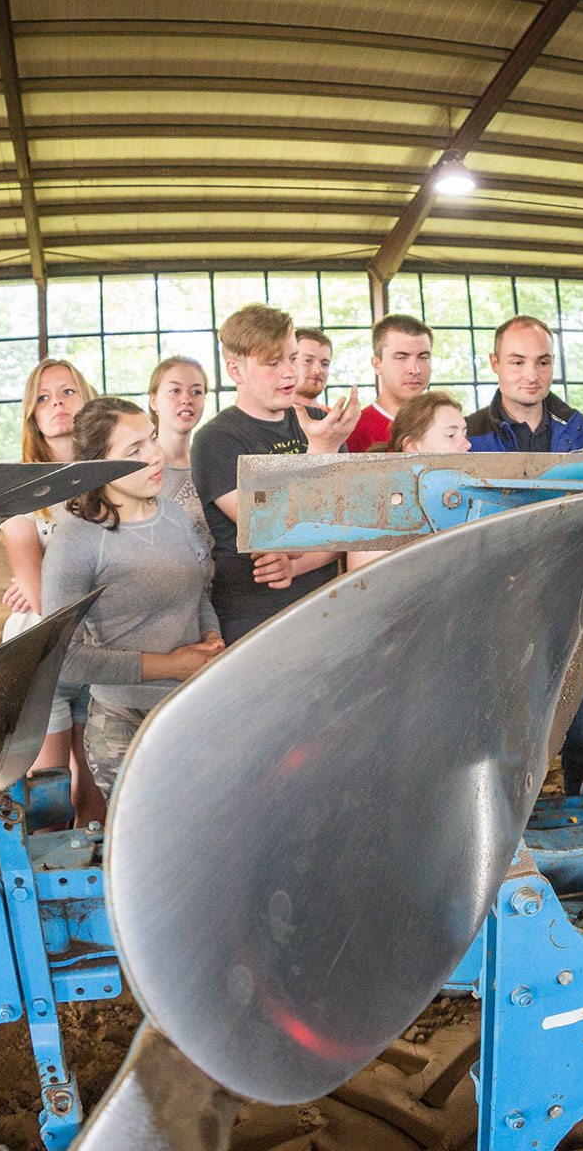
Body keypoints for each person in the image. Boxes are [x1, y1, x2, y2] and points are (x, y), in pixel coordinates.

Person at [41, 397, 223, 795]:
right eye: (134, 451)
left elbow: (198, 593)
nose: (155, 456)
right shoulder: (77, 540)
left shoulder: (174, 515)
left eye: (152, 440)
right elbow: (64, 658)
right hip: (124, 723)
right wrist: (171, 664)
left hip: (191, 708)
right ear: (99, 466)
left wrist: (211, 638)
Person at [464, 316, 583, 809]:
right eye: (518, 362)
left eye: (543, 362)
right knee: (502, 729)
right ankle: (504, 828)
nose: (532, 374)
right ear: (495, 365)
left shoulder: (579, 428)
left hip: (572, 598)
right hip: (497, 606)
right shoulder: (469, 435)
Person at [192, 303, 360, 638]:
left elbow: (352, 528)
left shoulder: (317, 426)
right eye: (273, 363)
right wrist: (321, 453)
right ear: (236, 371)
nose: (290, 373)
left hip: (326, 603)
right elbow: (274, 528)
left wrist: (297, 564)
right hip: (254, 618)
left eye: (293, 357)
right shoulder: (216, 439)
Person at [0, 358, 98, 799]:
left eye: (67, 391)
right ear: (33, 417)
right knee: (48, 795)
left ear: (88, 401)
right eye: (43, 397)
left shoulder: (114, 483)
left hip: (105, 649)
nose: (56, 402)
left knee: (96, 789)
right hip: (43, 652)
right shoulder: (20, 491)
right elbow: (38, 595)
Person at [345, 390, 469, 570]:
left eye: (465, 434)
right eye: (451, 435)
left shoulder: (462, 498)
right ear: (413, 446)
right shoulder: (379, 507)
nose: (467, 444)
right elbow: (367, 583)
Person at [343, 313, 433, 452]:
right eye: (402, 358)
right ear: (377, 365)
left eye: (423, 357)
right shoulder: (353, 431)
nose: (415, 370)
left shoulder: (446, 426)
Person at [148, 355, 212, 540]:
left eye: (196, 392)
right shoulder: (141, 467)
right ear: (154, 401)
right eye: (175, 390)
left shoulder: (213, 463)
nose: (186, 399)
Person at [293, 328, 334, 406]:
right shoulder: (270, 415)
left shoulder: (336, 417)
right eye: (308, 360)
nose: (318, 370)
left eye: (324, 364)